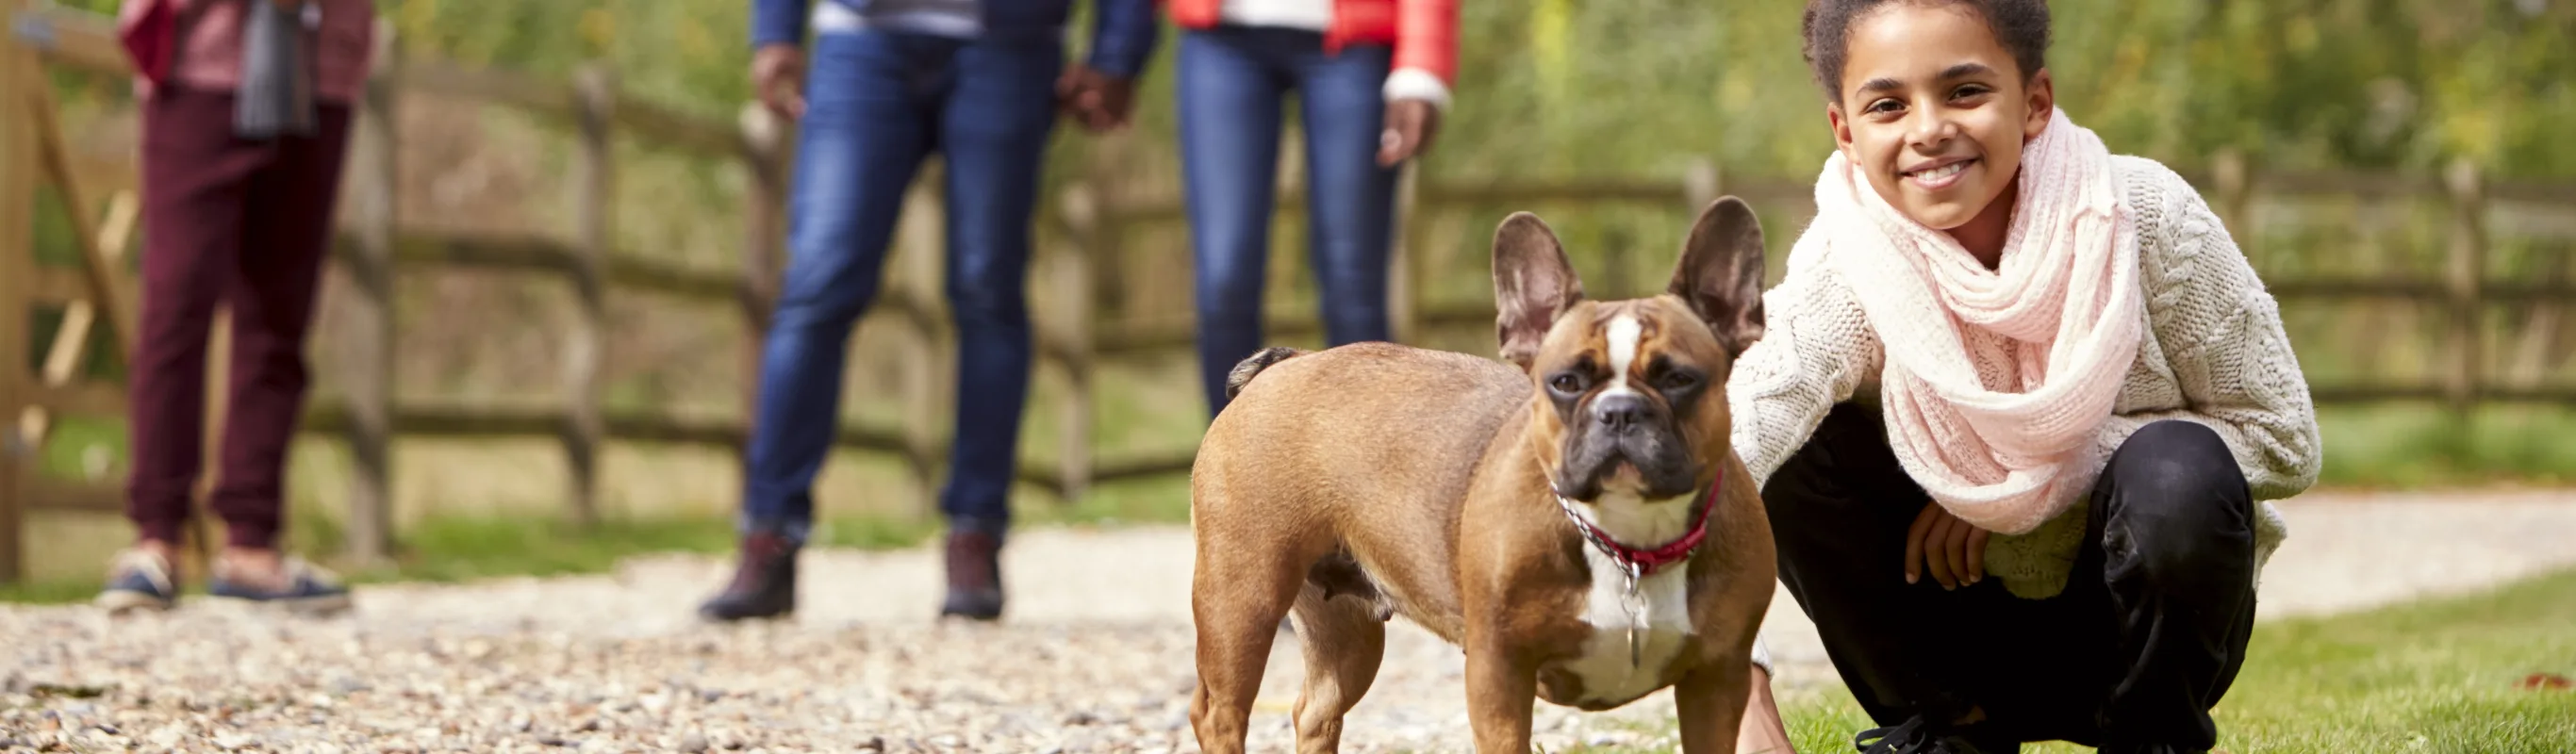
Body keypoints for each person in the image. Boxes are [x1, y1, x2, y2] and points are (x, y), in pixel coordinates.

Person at [1728, 1, 2323, 752]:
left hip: (2127, 637)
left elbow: (2283, 438)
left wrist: (2022, 484)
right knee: (1791, 451)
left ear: (2034, 101)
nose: (1928, 128)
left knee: (2180, 469)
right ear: (1846, 131)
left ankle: (2151, 736)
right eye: (1887, 104)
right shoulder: (1845, 262)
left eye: (1965, 92)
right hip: (1951, 623)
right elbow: (1741, 432)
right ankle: (1954, 729)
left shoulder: (2143, 216)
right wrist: (1739, 681)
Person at [696, 0, 1160, 622]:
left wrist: (1119, 49)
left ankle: (975, 534)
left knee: (988, 288)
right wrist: (776, 28)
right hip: (860, 38)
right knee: (817, 282)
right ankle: (769, 535)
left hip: (1009, 40)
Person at [95, 0, 378, 615]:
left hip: (321, 63)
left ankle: (252, 545)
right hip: (204, 59)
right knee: (177, 304)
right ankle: (155, 538)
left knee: (281, 312)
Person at [1161, 0, 1455, 417]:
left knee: (1353, 287)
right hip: (1220, 39)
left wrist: (1424, 64)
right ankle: (1230, 473)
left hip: (1357, 42)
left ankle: (1365, 471)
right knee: (1223, 284)